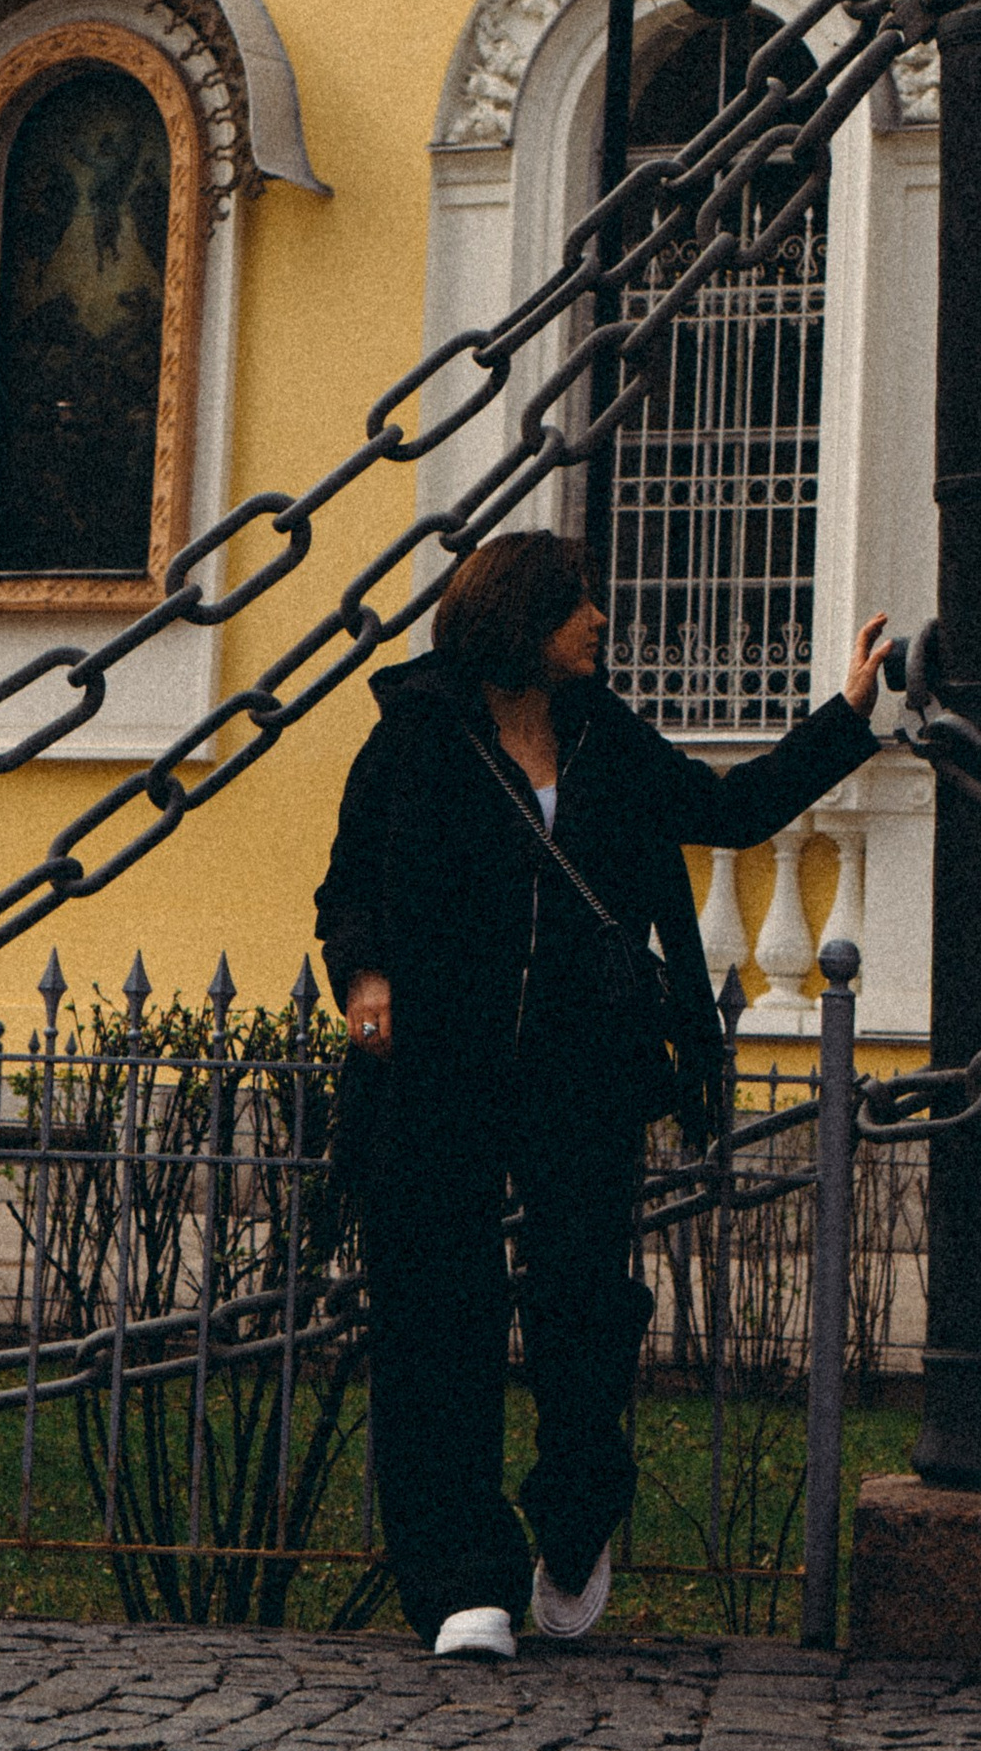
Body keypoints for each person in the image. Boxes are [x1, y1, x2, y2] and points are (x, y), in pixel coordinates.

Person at [316, 530, 888, 1660]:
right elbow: (349, 881)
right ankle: (459, 1580)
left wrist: (848, 714)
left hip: (579, 1070)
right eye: (579, 604)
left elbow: (728, 811)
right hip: (442, 1069)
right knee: (440, 1315)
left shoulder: (606, 740)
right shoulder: (417, 733)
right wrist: (366, 971)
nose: (600, 622)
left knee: (585, 1308)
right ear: (521, 617)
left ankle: (575, 1523)